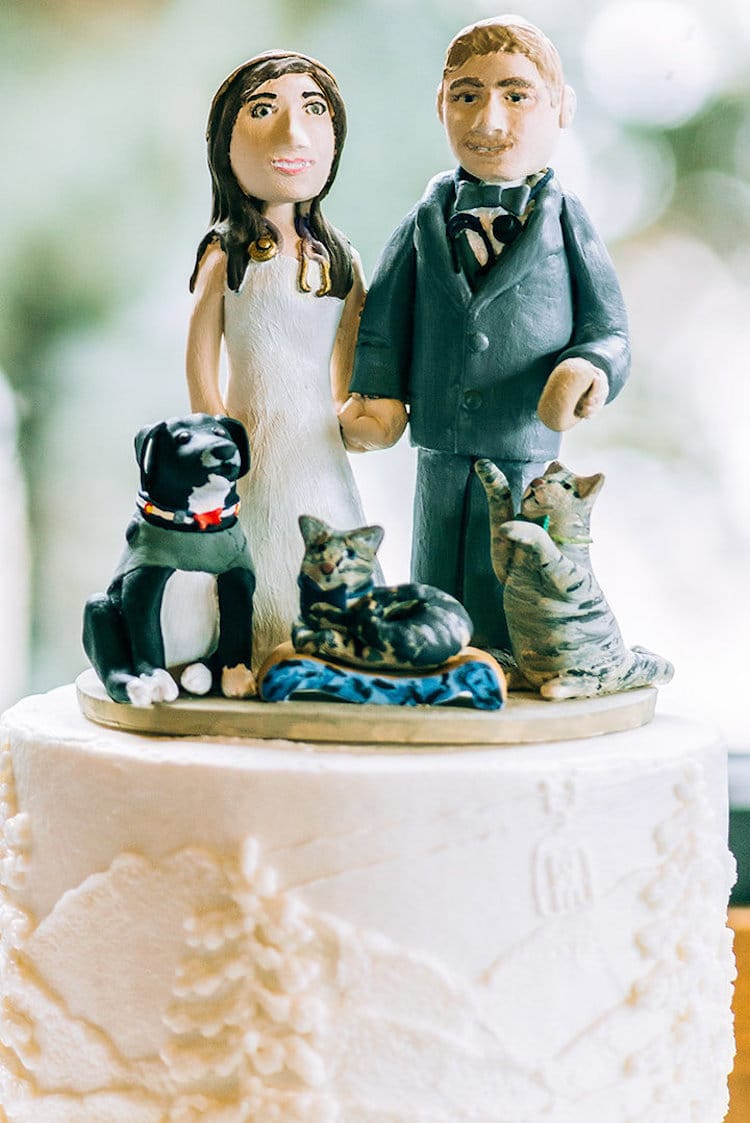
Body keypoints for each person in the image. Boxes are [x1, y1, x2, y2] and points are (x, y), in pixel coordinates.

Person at [341, 17, 630, 650]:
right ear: (440, 106)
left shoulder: (568, 223)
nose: (489, 121)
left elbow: (608, 328)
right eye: (467, 96)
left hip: (521, 437)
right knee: (436, 556)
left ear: (562, 108)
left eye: (516, 95)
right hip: (439, 439)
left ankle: (509, 655)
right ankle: (431, 650)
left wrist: (589, 370)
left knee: (511, 561)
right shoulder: (424, 222)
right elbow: (384, 319)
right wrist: (377, 395)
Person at [187, 51, 373, 668]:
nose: (293, 134)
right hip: (249, 438)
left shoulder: (339, 260)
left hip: (317, 442)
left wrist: (358, 411)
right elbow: (200, 352)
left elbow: (354, 351)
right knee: (253, 543)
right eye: (264, 110)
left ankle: (332, 646)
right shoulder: (227, 253)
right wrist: (214, 425)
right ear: (225, 142)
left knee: (322, 531)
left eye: (313, 110)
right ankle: (242, 651)